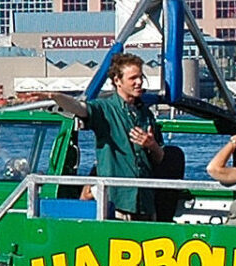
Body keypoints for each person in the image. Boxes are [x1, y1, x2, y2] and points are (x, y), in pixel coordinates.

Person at [55, 53, 167, 220]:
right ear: (117, 80)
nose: (139, 82)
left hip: (145, 204)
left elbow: (160, 157)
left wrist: (152, 145)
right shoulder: (105, 109)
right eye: (133, 78)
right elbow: (80, 108)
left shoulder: (146, 115)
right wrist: (56, 97)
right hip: (118, 206)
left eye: (141, 77)